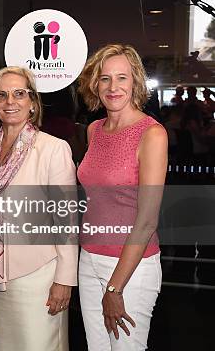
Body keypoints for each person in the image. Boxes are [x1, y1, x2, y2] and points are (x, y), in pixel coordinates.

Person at [0, 66, 78, 350]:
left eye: (19, 94)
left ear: (32, 102)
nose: (10, 102)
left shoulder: (53, 149)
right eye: (1, 95)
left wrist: (64, 280)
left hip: (39, 278)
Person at [77, 44, 167, 350]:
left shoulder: (151, 134)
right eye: (104, 79)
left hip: (132, 269)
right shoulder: (94, 130)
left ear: (135, 82)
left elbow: (146, 220)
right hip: (88, 259)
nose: (113, 87)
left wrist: (115, 287)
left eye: (122, 78)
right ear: (94, 84)